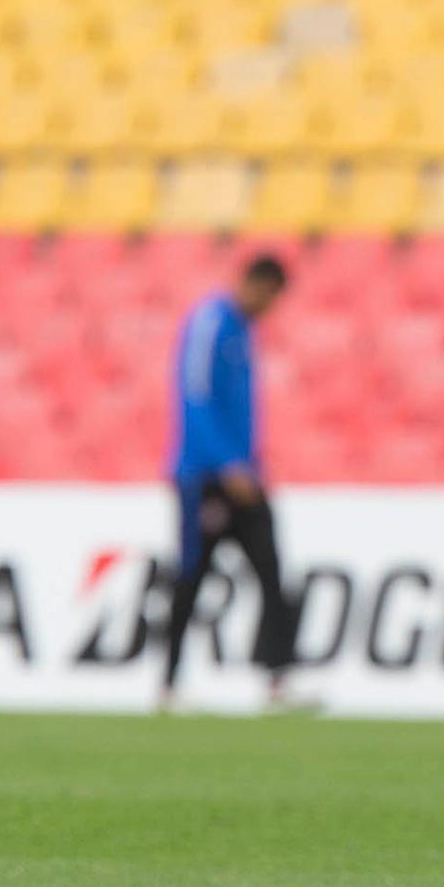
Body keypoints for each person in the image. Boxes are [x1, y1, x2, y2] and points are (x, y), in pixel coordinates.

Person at [159, 252, 300, 711]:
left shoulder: (242, 331)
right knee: (192, 574)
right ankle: (169, 684)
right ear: (256, 284)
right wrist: (227, 464)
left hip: (244, 475)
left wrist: (252, 465)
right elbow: (194, 398)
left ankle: (277, 680)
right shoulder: (210, 323)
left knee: (272, 572)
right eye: (271, 297)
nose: (271, 308)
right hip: (205, 477)